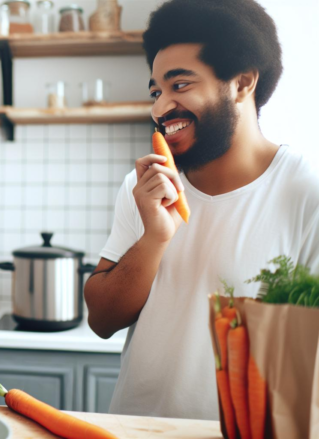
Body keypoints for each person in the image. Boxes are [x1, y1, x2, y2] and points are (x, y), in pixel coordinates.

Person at [84, 0, 319, 420]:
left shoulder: (306, 196)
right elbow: (101, 319)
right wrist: (156, 236)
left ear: (242, 82)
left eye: (179, 85)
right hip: (134, 428)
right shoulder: (142, 188)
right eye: (155, 91)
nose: (159, 109)